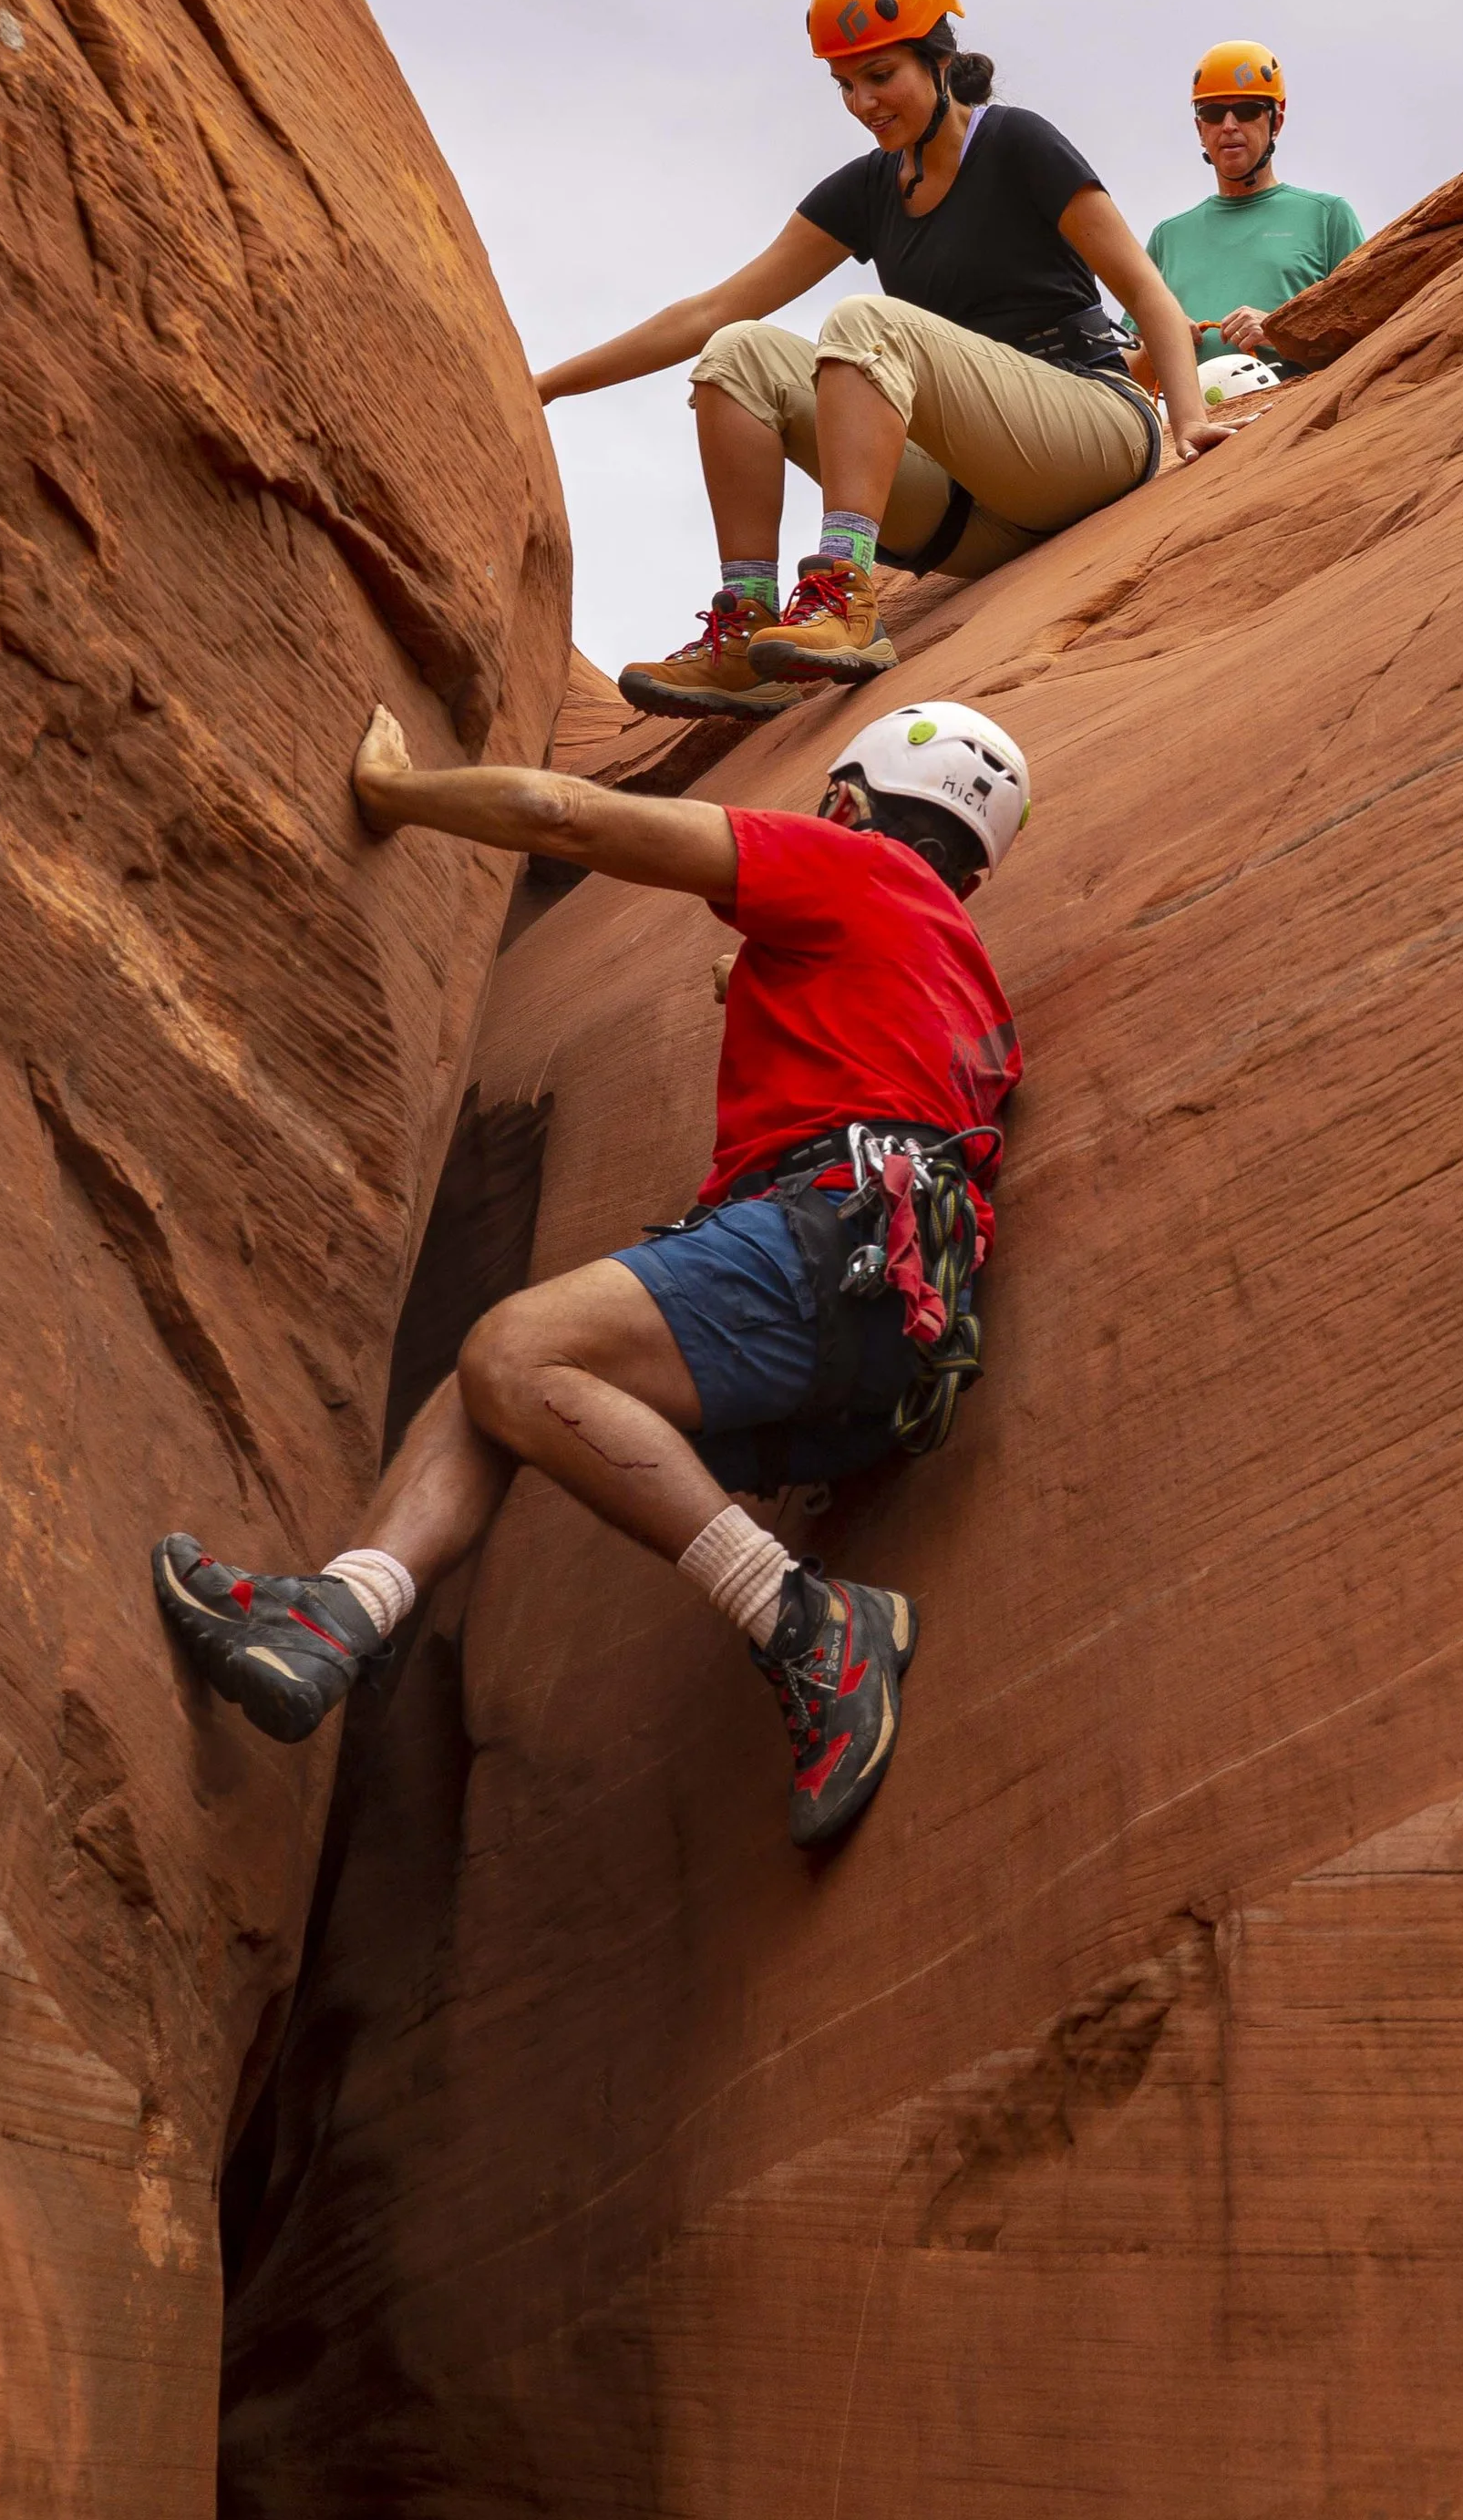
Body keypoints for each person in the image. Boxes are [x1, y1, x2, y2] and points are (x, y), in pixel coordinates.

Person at [152, 692, 1033, 1853]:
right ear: (971, 871)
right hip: (891, 1338)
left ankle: (805, 1621)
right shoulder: (963, 972)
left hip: (827, 1246)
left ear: (849, 802)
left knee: (516, 1349)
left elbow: (566, 815)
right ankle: (344, 1610)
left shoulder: (846, 865)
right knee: (498, 1393)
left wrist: (397, 790)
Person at [535, 0, 1229, 724]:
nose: (863, 102)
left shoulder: (1015, 142)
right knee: (736, 354)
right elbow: (710, 311)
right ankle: (749, 629)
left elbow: (1145, 289)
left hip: (1089, 431)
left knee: (866, 322)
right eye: (845, 84)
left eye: (880, 75)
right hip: (974, 509)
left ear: (938, 60)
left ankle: (846, 590)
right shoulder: (870, 189)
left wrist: (1190, 421)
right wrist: (547, 388)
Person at [1135, 42, 1364, 379]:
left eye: (1246, 111)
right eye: (1213, 114)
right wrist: (1160, 344)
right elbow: (1128, 376)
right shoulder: (1168, 237)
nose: (1228, 125)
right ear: (1200, 130)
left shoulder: (1328, 217)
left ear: (1276, 123)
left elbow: (1371, 332)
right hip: (1201, 425)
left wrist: (1280, 332)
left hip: (1298, 419)